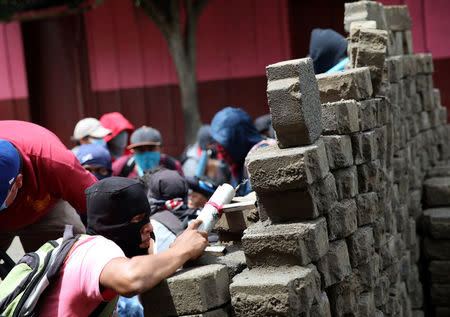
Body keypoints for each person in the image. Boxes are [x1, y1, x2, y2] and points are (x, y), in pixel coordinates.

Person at [34, 177, 209, 316]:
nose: (149, 227)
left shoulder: (86, 251)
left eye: (147, 217)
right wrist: (181, 251)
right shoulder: (95, 249)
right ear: (110, 224)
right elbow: (132, 280)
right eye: (138, 219)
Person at [0, 121, 97, 252]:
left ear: (18, 181)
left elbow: (100, 207)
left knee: (74, 252)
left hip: (43, 205)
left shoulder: (57, 164)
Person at [210, 107, 275, 196]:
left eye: (224, 150)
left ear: (238, 139)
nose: (221, 157)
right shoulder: (239, 162)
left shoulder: (262, 155)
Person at [112, 126, 183, 178]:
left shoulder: (172, 166)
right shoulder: (121, 166)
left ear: (161, 150)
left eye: (151, 149)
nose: (146, 154)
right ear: (132, 152)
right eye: (140, 149)